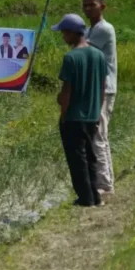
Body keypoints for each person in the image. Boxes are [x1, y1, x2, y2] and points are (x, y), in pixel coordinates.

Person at [52, 14, 107, 208]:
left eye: (64, 33)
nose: (63, 37)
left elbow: (67, 91)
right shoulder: (99, 55)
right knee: (91, 157)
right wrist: (98, 112)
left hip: (74, 116)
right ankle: (95, 195)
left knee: (77, 159)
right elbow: (102, 88)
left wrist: (63, 112)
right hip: (92, 115)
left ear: (72, 33)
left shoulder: (71, 57)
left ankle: (85, 199)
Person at [83, 0, 118, 195]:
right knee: (96, 135)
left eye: (92, 5)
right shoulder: (90, 30)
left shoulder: (104, 29)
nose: (88, 9)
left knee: (98, 136)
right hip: (96, 87)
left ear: (102, 6)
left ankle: (104, 185)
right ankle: (101, 182)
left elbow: (84, 52)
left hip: (104, 88)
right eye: (85, 5)